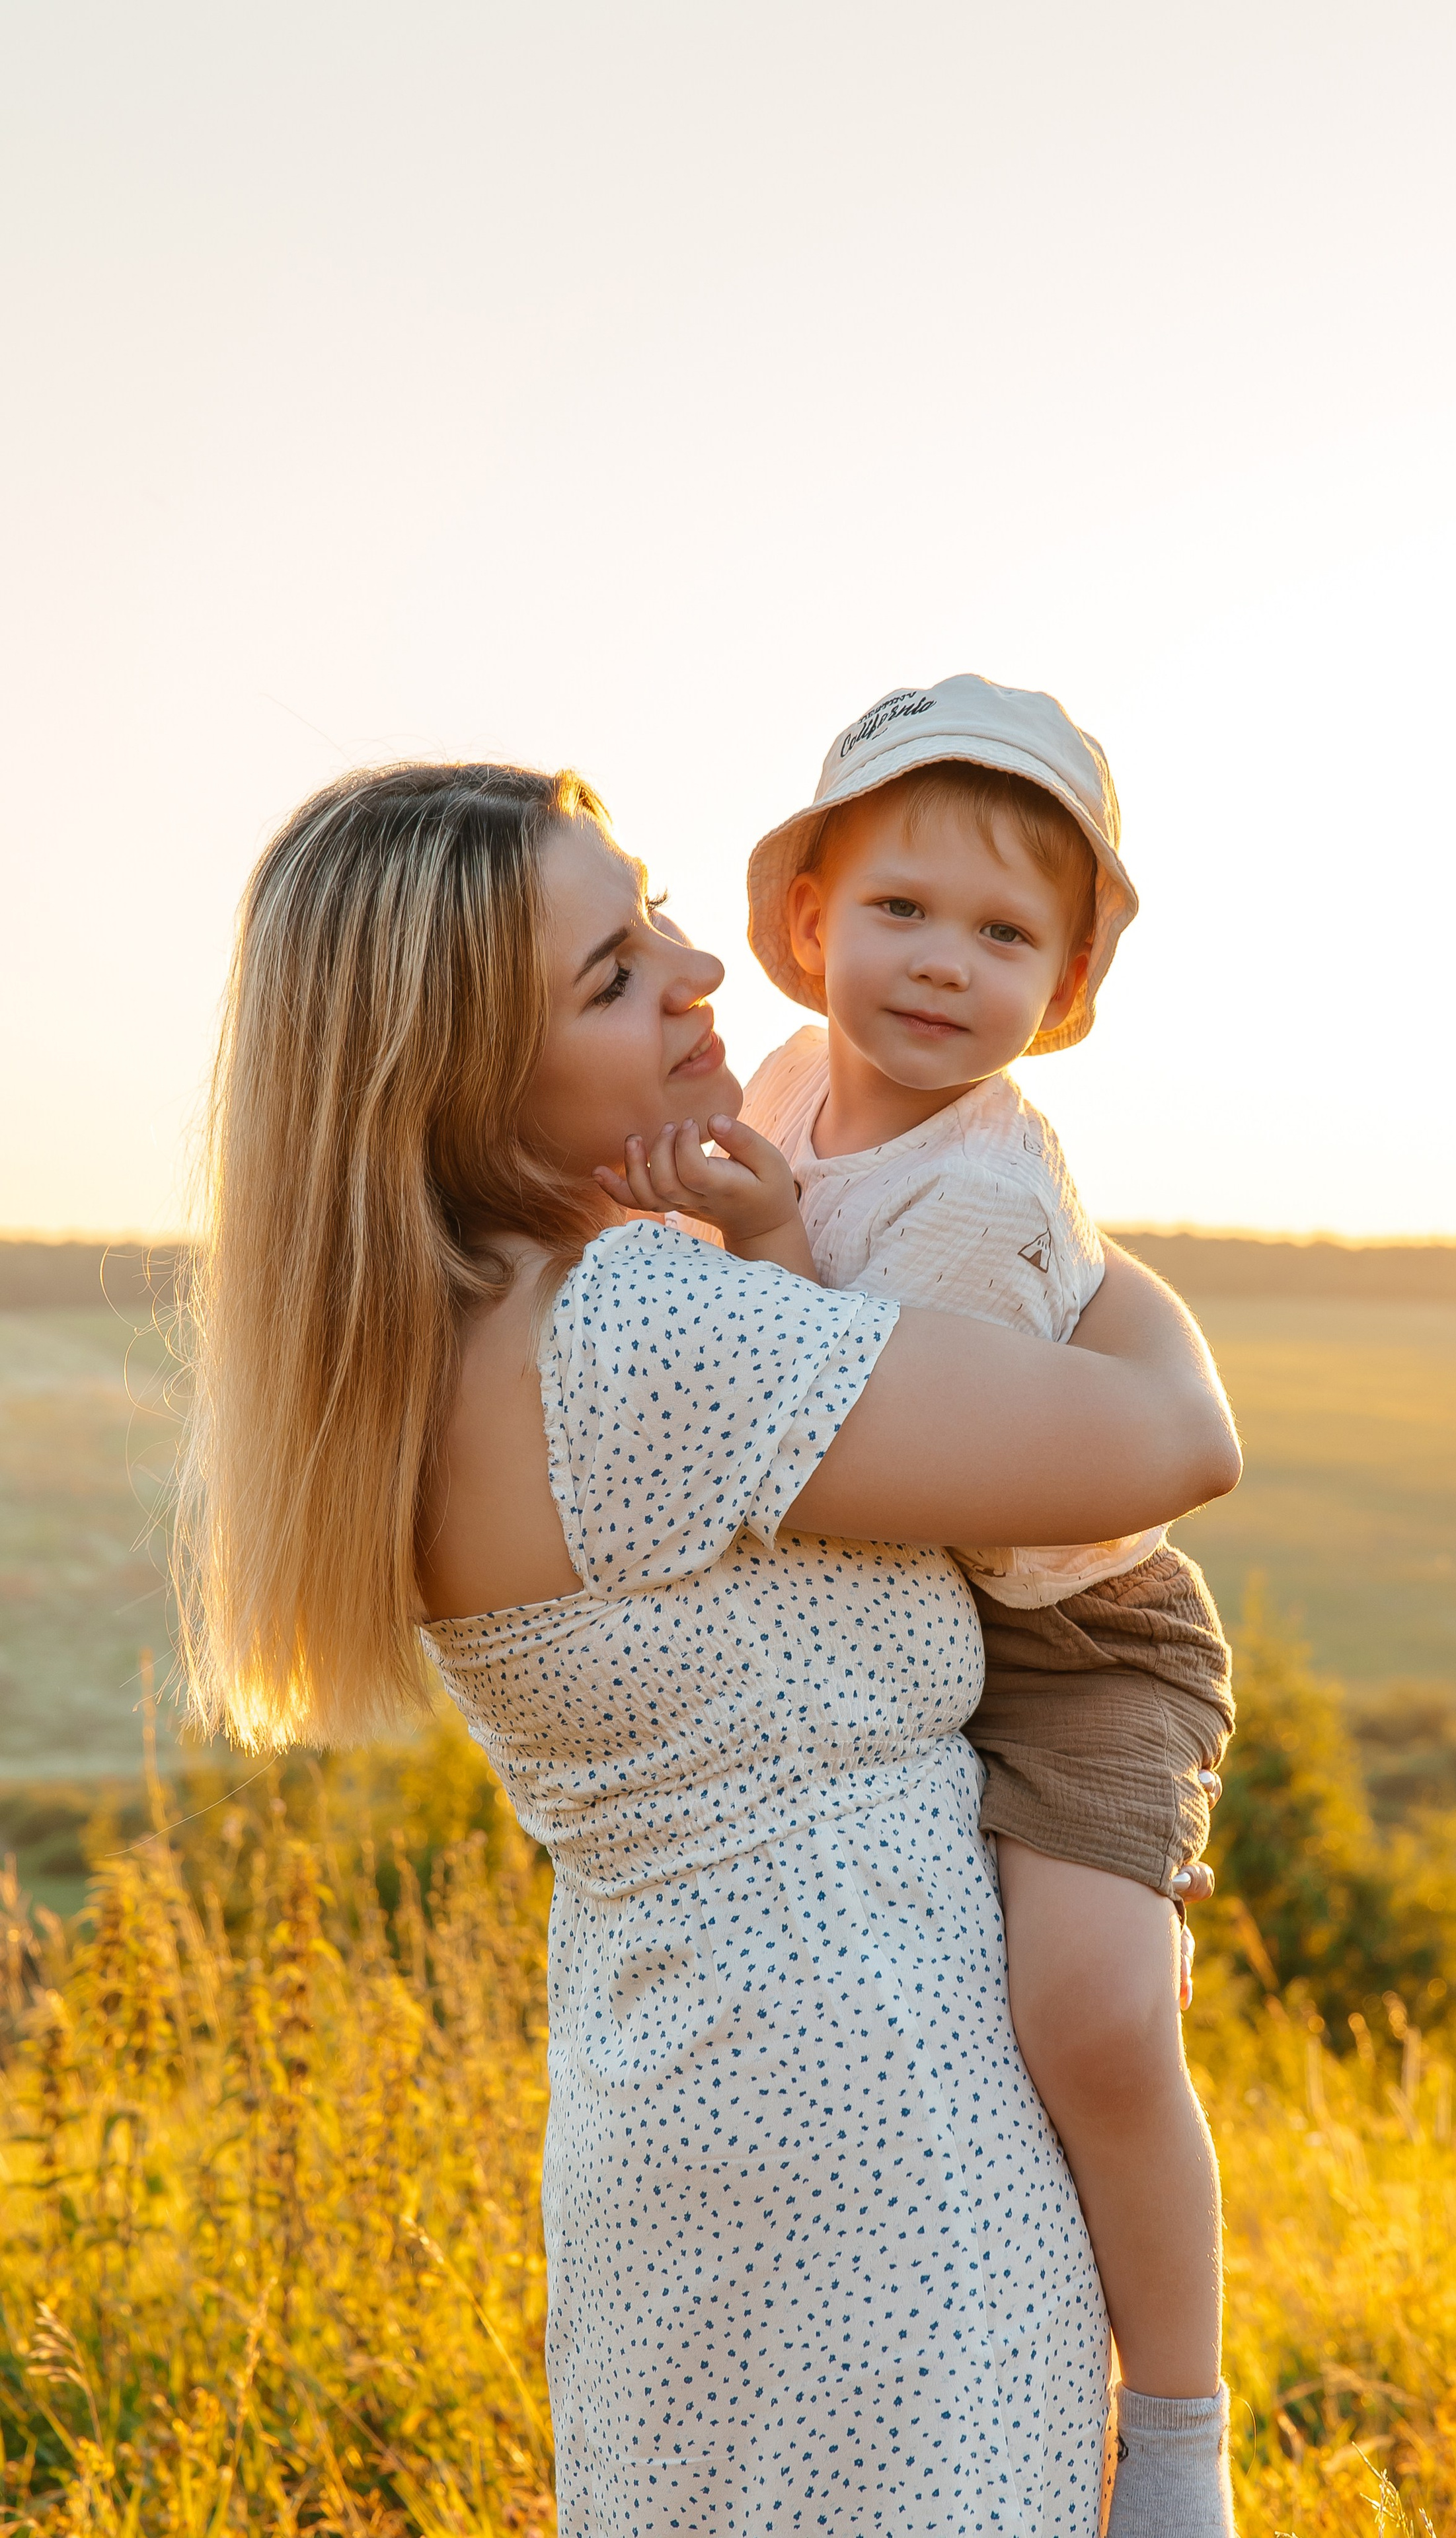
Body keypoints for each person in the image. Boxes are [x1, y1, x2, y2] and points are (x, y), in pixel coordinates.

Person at [175, 759, 1241, 2535]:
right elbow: (1174, 1442)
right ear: (460, 1074)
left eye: (655, 905)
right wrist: (1064, 1231)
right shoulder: (650, 1335)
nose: (698, 970)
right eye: (610, 972)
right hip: (892, 2149)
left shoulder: (416, 1367)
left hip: (655, 2140)